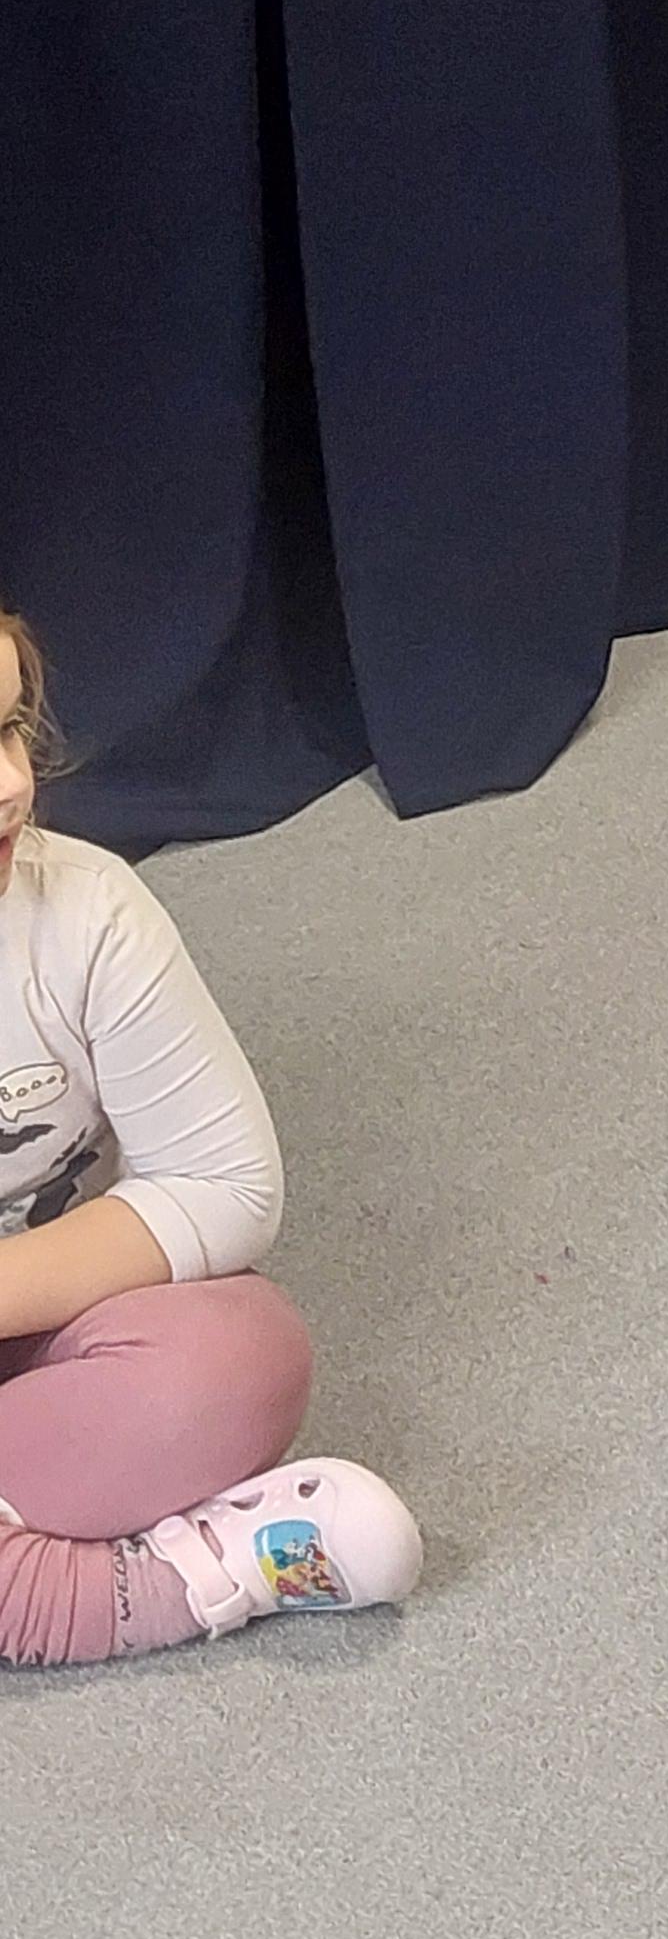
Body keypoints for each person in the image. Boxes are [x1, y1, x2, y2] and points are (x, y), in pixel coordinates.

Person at [0, 606, 421, 1669]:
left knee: (241, 1356)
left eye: (8, 730)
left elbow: (222, 1186)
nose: (10, 785)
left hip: (44, 1316)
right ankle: (177, 1582)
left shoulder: (84, 912)